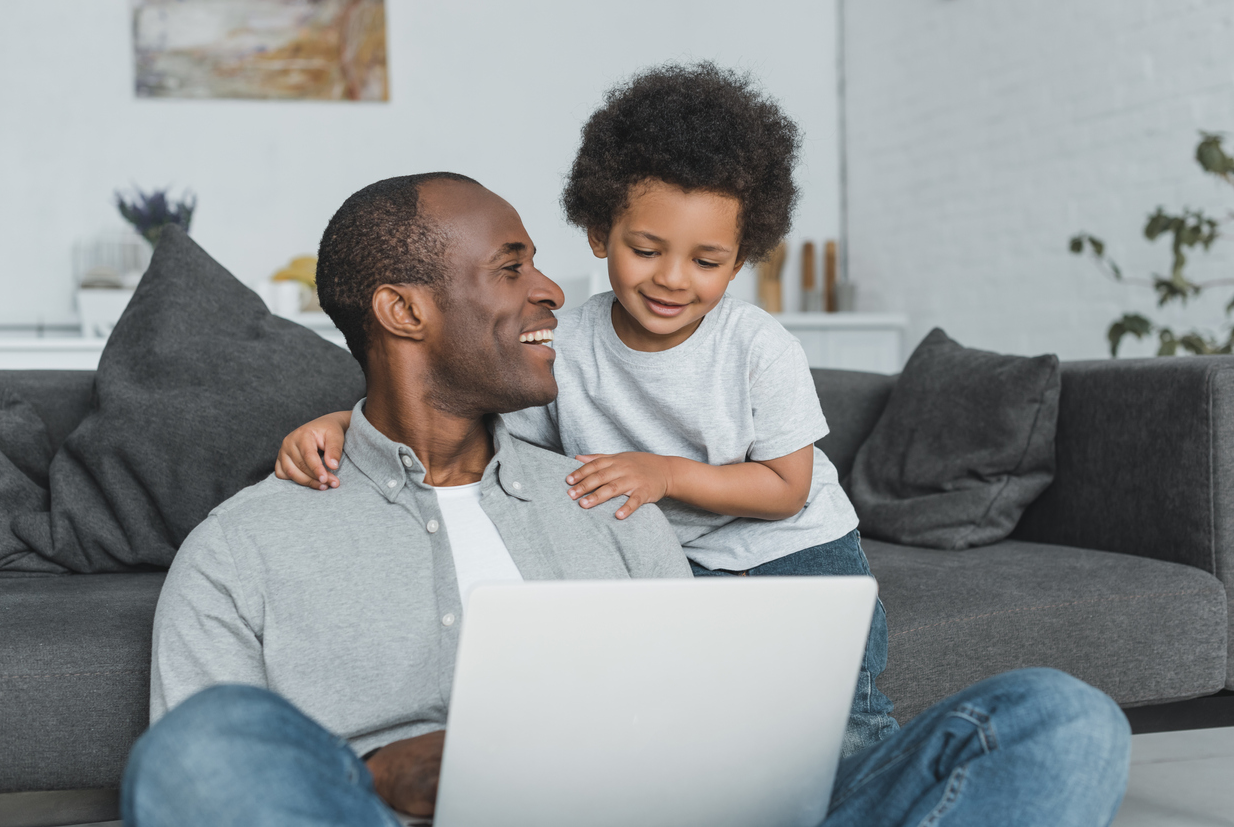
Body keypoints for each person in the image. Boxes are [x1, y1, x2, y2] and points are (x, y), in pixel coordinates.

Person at [122, 173, 1132, 827]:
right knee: (205, 750)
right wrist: (382, 777)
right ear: (402, 309)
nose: (555, 291)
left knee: (1058, 719)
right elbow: (215, 788)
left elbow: (692, 716)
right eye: (511, 266)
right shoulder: (243, 546)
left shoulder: (603, 496)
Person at [274, 62, 893, 757]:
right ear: (600, 233)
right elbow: (472, 426)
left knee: (844, 731)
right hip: (676, 565)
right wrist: (343, 425)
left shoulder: (757, 346)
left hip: (799, 557)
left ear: (742, 258)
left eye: (706, 260)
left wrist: (664, 474)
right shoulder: (560, 346)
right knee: (707, 736)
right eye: (646, 249)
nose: (671, 278)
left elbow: (787, 487)